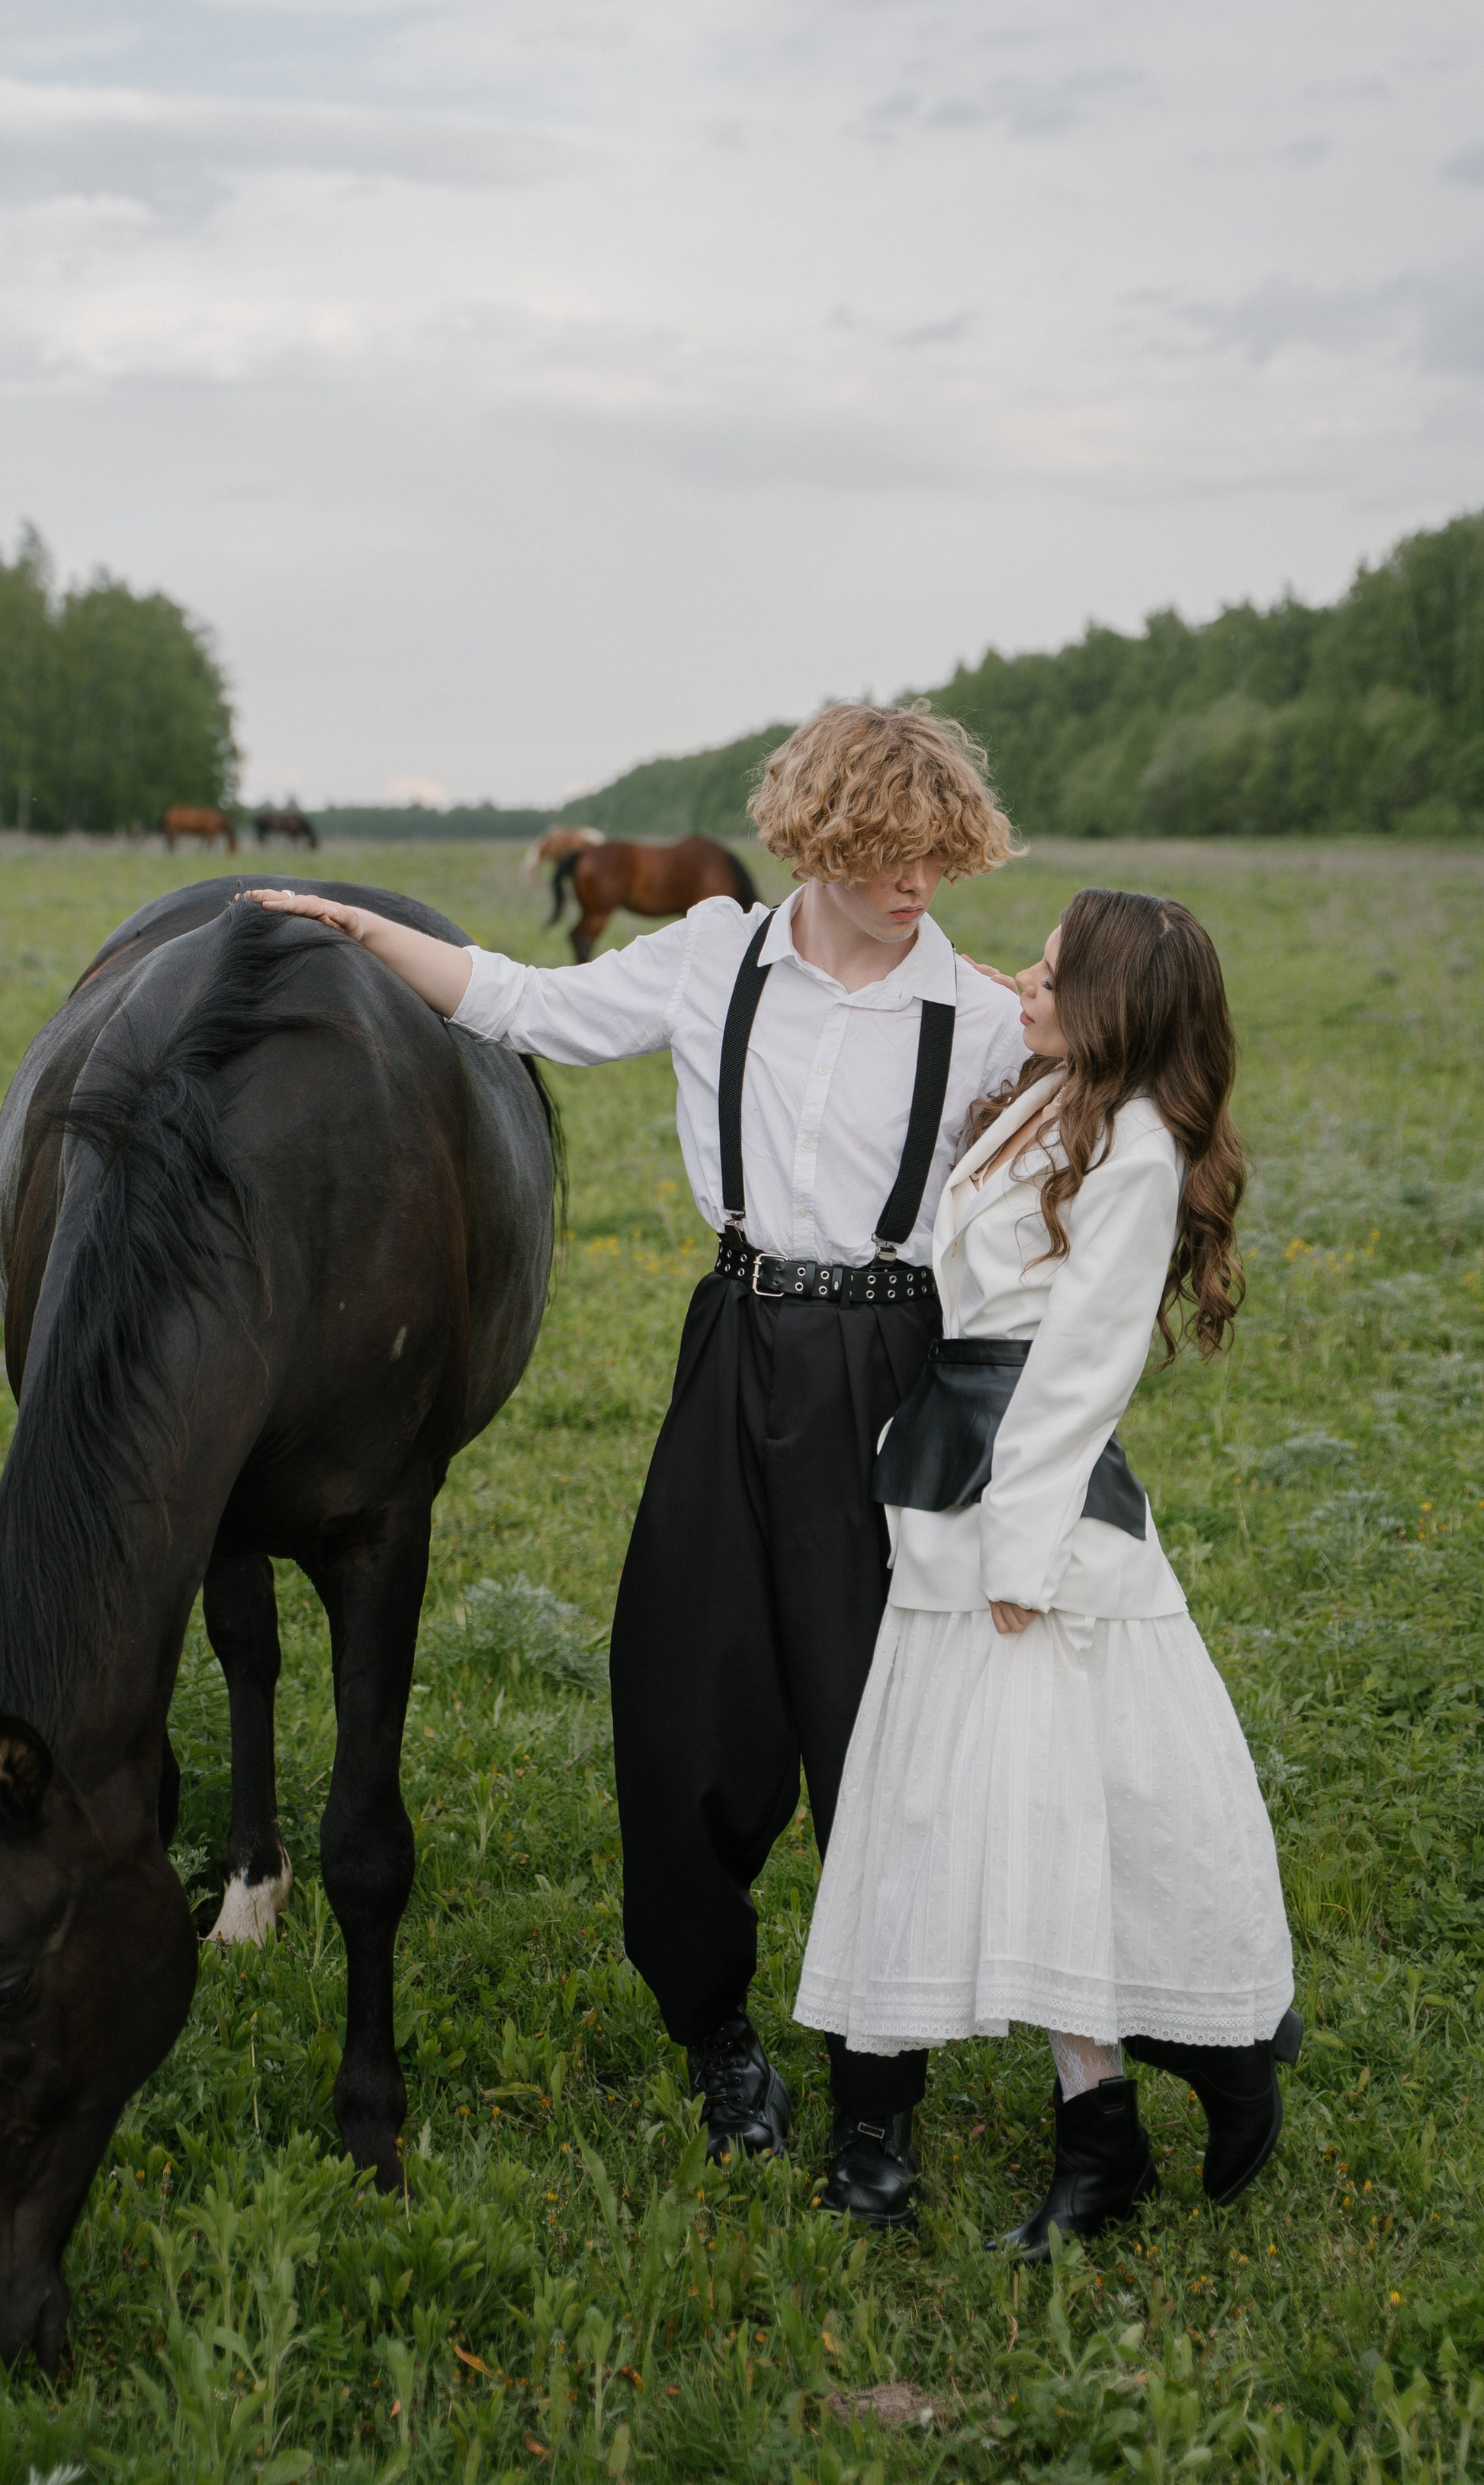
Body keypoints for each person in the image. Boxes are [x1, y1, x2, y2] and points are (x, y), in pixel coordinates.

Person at [241, 702, 1028, 2214]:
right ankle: (715, 2028)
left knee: (887, 1740)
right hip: (733, 1348)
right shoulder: (715, 958)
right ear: (816, 839)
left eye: (940, 857)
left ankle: (877, 2100)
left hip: (893, 1367)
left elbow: (1122, 1072)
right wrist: (353, 924)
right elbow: (521, 1004)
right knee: (681, 1713)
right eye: (884, 856)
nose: (915, 884)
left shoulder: (980, 1016)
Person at [795, 889, 1298, 2241]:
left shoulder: (1135, 1145)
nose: (1025, 975)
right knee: (1002, 1825)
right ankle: (1112, 2136)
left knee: (1067, 1824)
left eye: (1055, 970)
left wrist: (1023, 1553)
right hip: (951, 1487)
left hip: (1041, 1517)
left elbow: (1081, 1369)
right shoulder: (1042, 1096)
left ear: (1115, 1002)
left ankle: (1164, 2106)